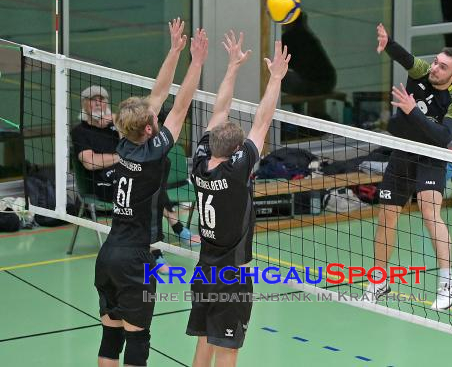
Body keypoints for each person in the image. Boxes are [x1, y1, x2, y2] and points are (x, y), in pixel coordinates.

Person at [94, 19, 208, 367]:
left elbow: (157, 98)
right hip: (133, 260)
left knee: (110, 339)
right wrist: (197, 62)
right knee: (138, 341)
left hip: (108, 253)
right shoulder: (153, 152)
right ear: (148, 128)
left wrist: (174, 51)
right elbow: (180, 106)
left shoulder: (124, 143)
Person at [186, 33, 289, 367]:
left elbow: (220, 110)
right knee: (228, 349)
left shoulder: (199, 162)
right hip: (232, 274)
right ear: (236, 152)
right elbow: (263, 120)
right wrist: (275, 78)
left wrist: (232, 67)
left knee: (205, 338)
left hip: (204, 270)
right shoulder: (235, 172)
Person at [363, 23, 452, 311]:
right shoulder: (422, 71)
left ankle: (448, 283)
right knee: (386, 217)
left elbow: (443, 137)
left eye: (443, 67)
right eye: (436, 61)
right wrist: (388, 43)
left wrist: (412, 111)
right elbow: (406, 57)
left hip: (432, 156)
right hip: (404, 152)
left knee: (428, 211)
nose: (435, 68)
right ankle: (379, 280)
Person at [71, 85, 200, 275]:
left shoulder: (117, 125)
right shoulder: (80, 131)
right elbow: (90, 163)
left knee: (154, 179)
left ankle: (166, 239)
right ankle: (166, 240)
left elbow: (154, 98)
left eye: (102, 100)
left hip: (128, 173)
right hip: (102, 183)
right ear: (84, 104)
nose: (98, 103)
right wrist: (122, 158)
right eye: (93, 100)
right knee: (148, 187)